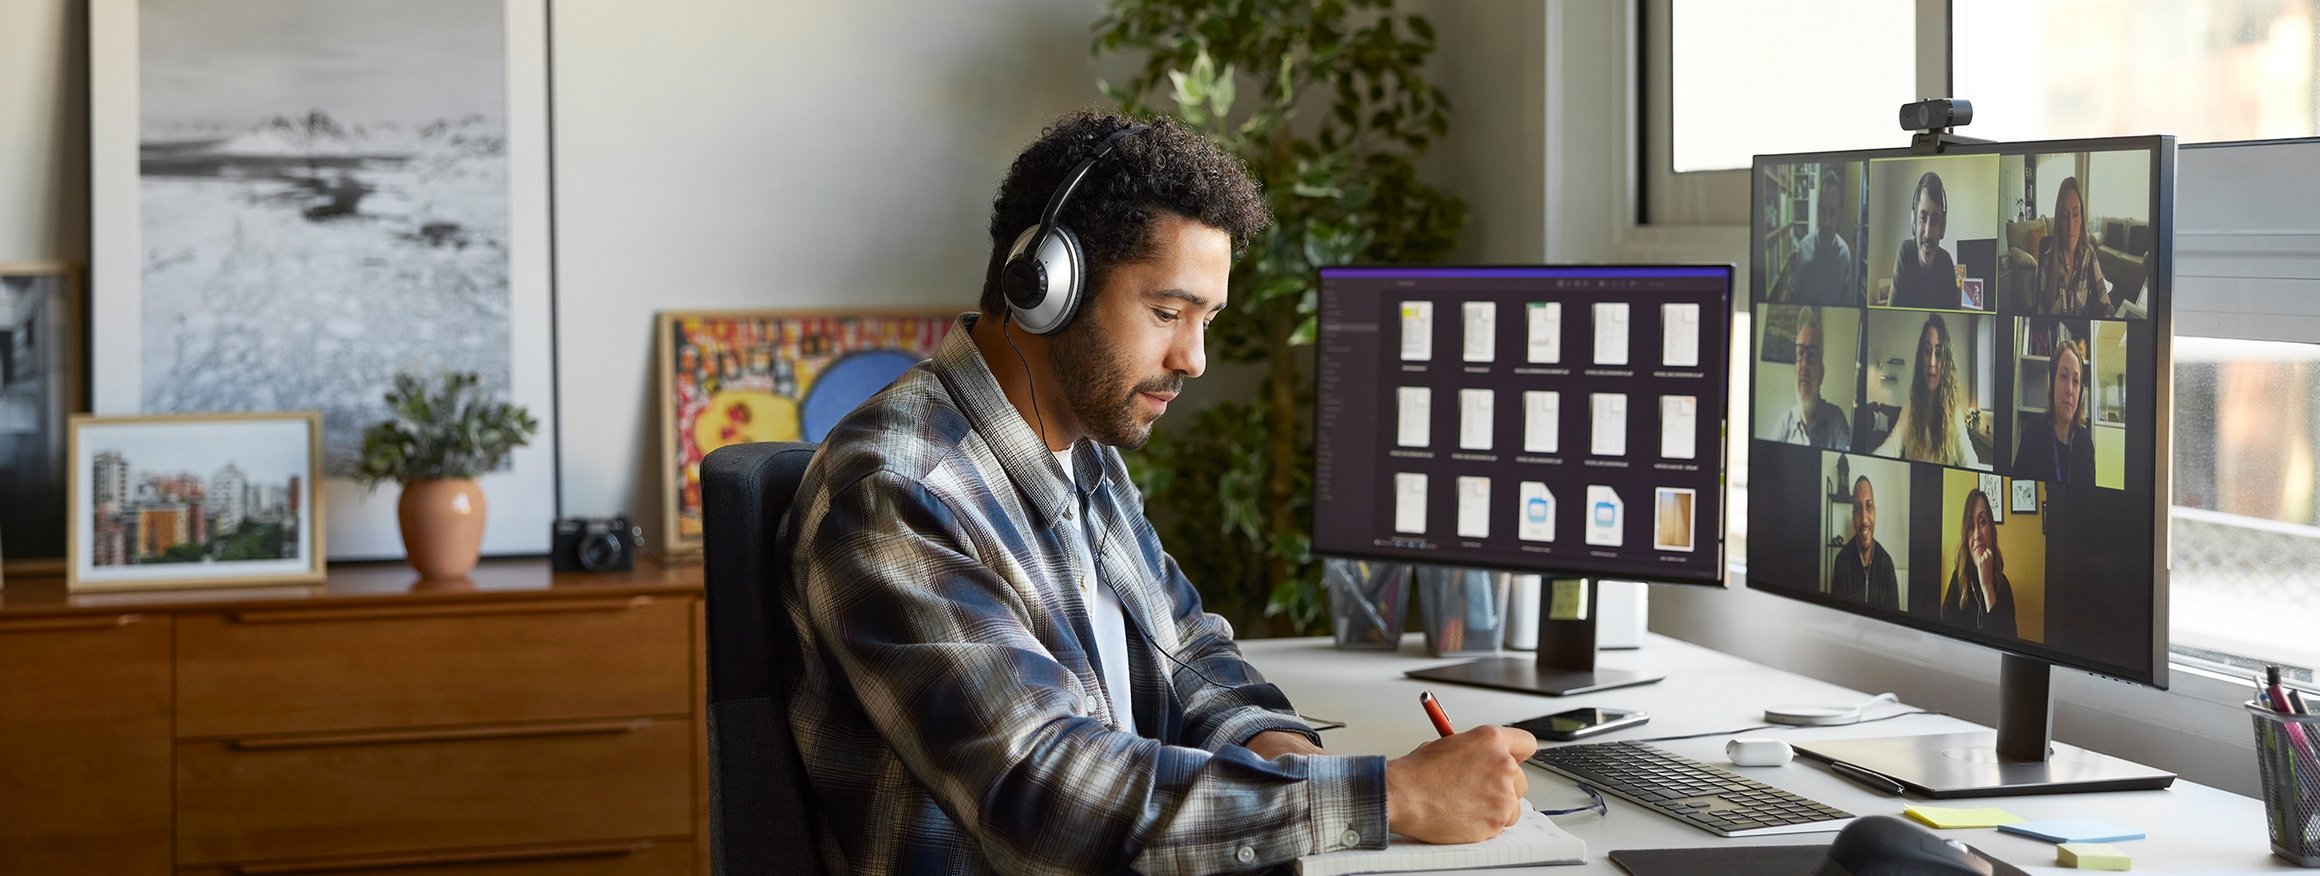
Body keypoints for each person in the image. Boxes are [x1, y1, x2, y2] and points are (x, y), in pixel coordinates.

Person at [777, 110, 1536, 875]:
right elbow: (1044, 792)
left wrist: (1292, 764)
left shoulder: (1080, 449)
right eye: (1168, 312)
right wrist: (1384, 798)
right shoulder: (899, 495)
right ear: (1046, 287)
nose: (1195, 358)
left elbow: (1189, 655)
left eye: (1206, 319)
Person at [1874, 314, 1981, 467]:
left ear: (1945, 361)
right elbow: (1893, 446)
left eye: (1938, 354)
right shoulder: (1911, 405)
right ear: (1921, 356)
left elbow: (1969, 458)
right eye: (1927, 351)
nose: (1932, 362)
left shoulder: (1953, 412)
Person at [2012, 338, 2096, 484]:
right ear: (2052, 383)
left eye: (2075, 381)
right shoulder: (2032, 435)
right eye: (2063, 377)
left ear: (2081, 392)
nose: (2069, 390)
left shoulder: (2085, 444)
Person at [1776, 167, 1858, 304]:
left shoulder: (1845, 255)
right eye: (1823, 211)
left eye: (1832, 212)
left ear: (1839, 215)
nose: (1826, 221)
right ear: (1818, 210)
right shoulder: (1804, 247)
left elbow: (1847, 304)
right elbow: (1793, 294)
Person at [1942, 488, 2018, 636]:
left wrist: (1987, 586)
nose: (1977, 535)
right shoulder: (1958, 580)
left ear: (1991, 530)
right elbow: (1943, 639)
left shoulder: (2004, 586)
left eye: (1982, 522)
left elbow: (2008, 645)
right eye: (1971, 527)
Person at [1772, 306, 1850, 449]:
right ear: (1794, 370)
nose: (1804, 365)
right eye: (1800, 353)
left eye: (1812, 354)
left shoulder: (1836, 420)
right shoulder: (1783, 426)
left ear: (1821, 373)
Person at [2036, 176, 2111, 318]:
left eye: (2075, 214)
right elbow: (2040, 317)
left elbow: (2106, 303)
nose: (2071, 225)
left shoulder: (2089, 256)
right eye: (2064, 216)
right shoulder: (2047, 262)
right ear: (2058, 221)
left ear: (2082, 218)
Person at [1828, 474, 1900, 611]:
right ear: (1852, 515)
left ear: (1875, 512)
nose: (1864, 520)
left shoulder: (1887, 564)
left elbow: (1894, 621)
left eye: (1869, 506)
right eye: (1858, 508)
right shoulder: (1841, 562)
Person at [1889, 171, 1958, 309]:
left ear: (1942, 227)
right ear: (1914, 222)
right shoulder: (1906, 253)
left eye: (1935, 220)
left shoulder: (1946, 263)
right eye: (1923, 218)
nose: (1928, 233)